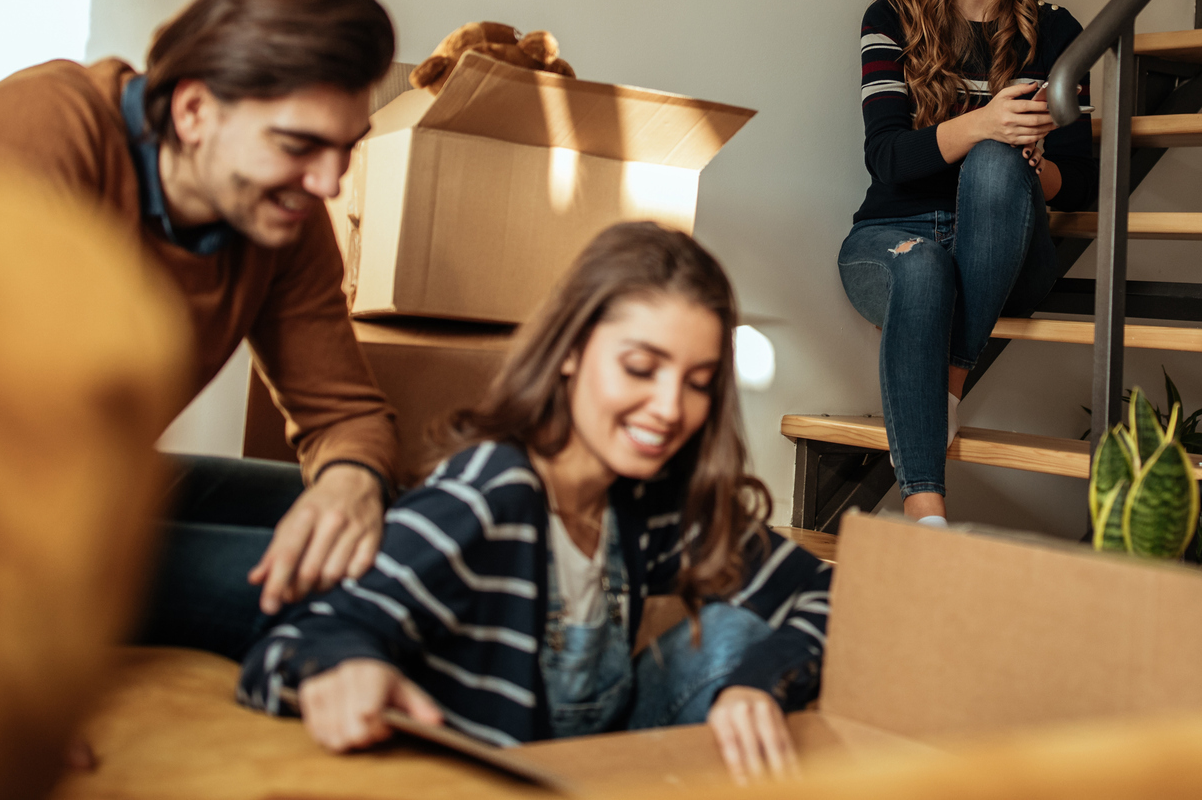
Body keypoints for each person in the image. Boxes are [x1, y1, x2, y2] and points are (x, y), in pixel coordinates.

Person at [0, 0, 402, 660]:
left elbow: (347, 414)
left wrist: (351, 482)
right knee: (372, 592)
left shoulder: (277, 217)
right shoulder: (40, 133)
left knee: (408, 528)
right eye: (299, 145)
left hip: (94, 489)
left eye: (345, 150)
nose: (328, 182)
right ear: (195, 110)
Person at [238, 222, 830, 783]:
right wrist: (344, 664)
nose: (671, 408)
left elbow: (826, 590)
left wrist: (759, 681)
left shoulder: (649, 500)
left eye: (698, 382)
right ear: (570, 351)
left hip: (598, 770)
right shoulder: (489, 492)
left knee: (732, 635)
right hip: (496, 780)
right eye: (640, 368)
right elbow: (293, 640)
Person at [838, 0, 1096, 525]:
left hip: (1007, 247)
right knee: (922, 265)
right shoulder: (889, 19)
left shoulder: (1058, 31)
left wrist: (1025, 162)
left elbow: (1083, 184)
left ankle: (951, 374)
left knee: (993, 163)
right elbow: (887, 160)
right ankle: (926, 515)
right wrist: (985, 121)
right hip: (891, 235)